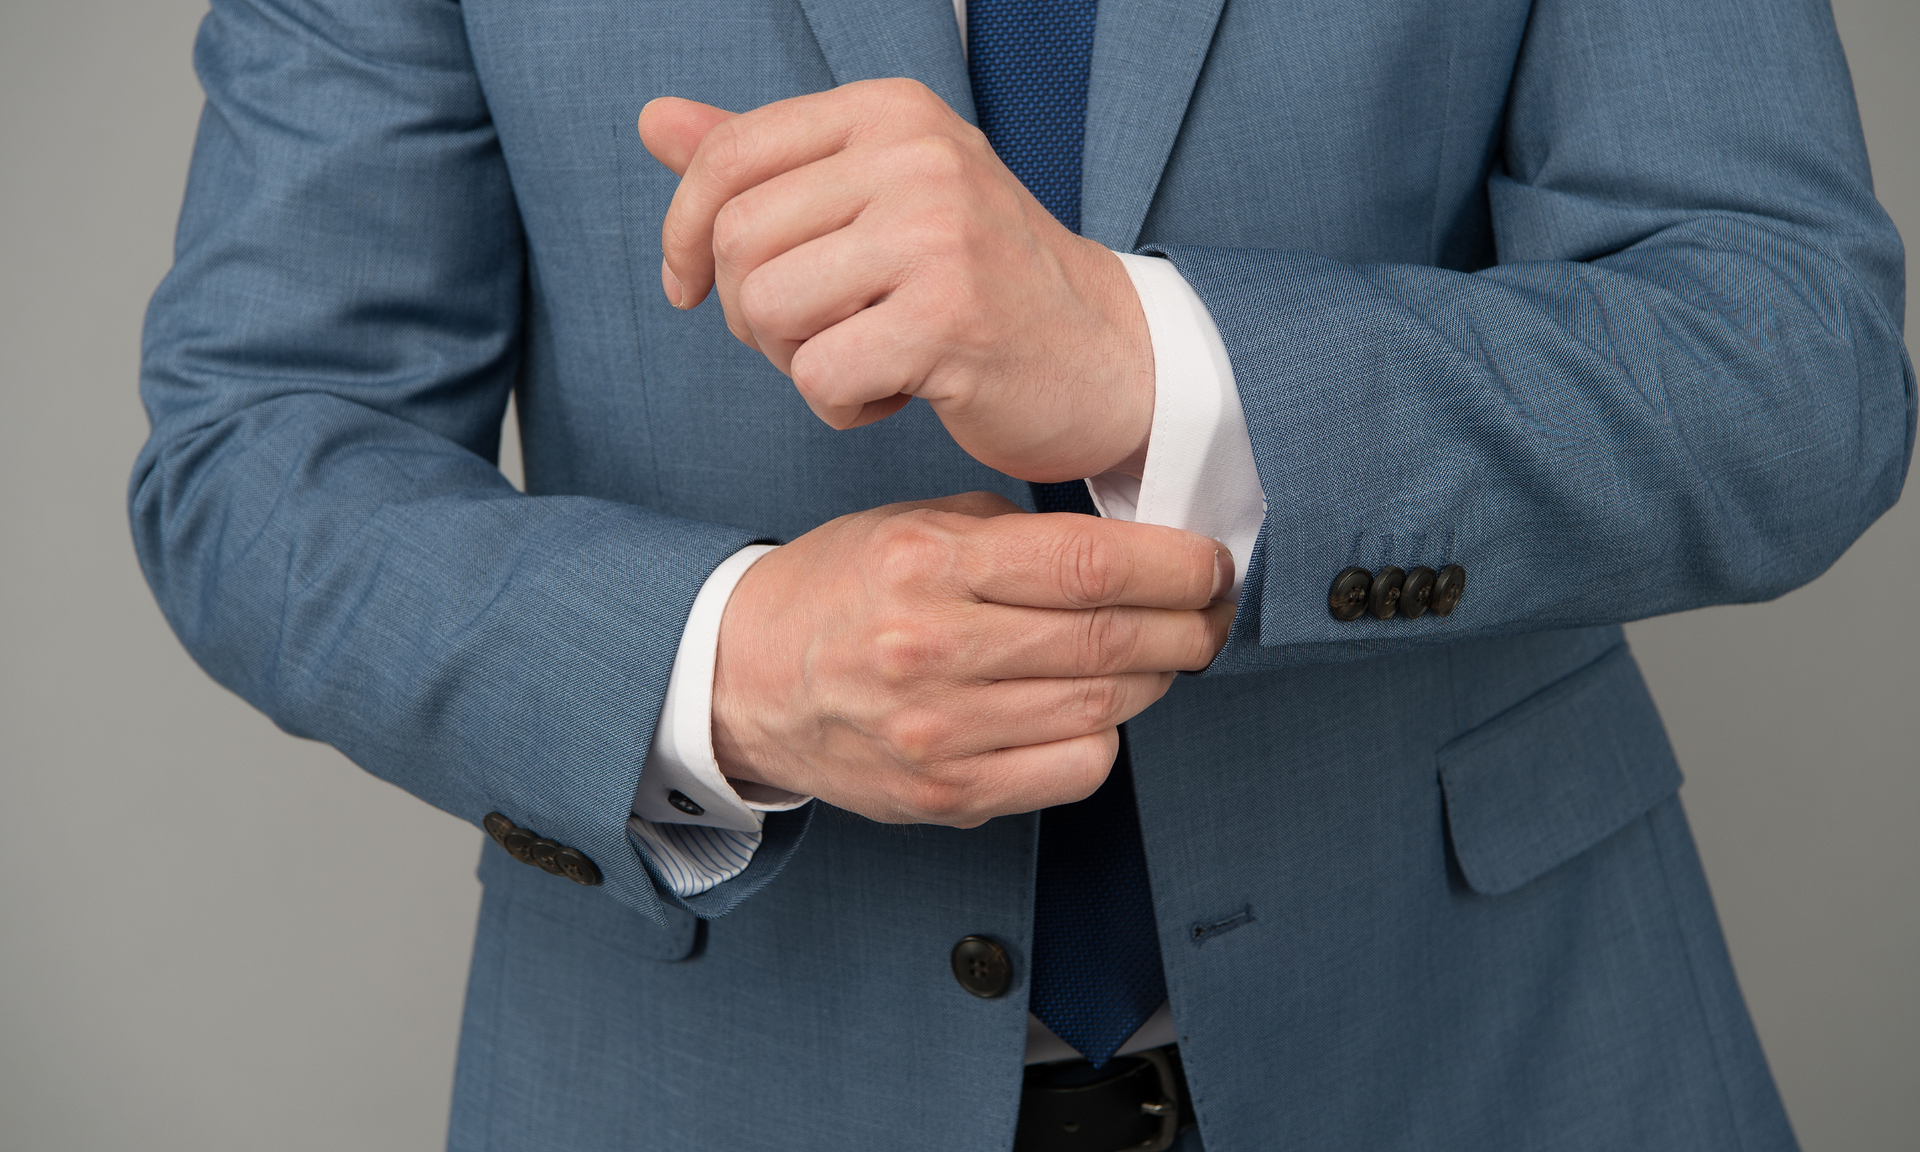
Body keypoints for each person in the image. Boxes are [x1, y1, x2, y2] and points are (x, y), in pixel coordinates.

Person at [130, 0, 1911, 1147]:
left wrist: (1151, 361)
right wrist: (735, 666)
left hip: (1498, 1059)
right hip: (696, 1081)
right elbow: (258, 453)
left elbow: (1797, 365)